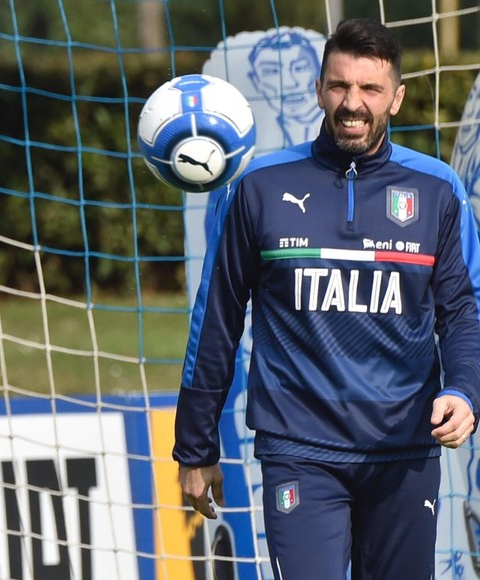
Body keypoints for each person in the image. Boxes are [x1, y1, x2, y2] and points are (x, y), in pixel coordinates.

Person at [175, 18, 480, 579]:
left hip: (404, 449)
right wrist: (195, 448)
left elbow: (464, 311)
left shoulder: (438, 190)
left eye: (370, 89)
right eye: (339, 86)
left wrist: (464, 391)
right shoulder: (258, 186)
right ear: (319, 89)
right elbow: (216, 319)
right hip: (299, 449)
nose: (353, 104)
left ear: (397, 97)